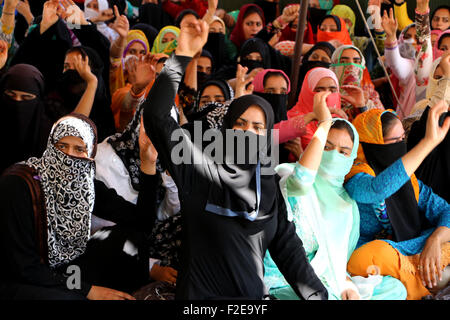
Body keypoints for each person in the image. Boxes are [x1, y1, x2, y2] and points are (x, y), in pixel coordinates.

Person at [141, 15, 328, 300]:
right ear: (225, 129)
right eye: (239, 125)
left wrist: (318, 297)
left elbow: (289, 251)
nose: (248, 134)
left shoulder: (268, 182)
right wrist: (182, 55)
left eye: (257, 128)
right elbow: (156, 118)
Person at [264, 93, 407, 300]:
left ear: (351, 159)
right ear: (315, 145)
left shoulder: (347, 204)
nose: (333, 156)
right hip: (285, 281)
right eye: (326, 147)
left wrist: (347, 286)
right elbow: (304, 179)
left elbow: (336, 264)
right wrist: (324, 124)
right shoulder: (290, 177)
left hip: (326, 279)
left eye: (343, 151)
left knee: (394, 289)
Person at [0, 113, 158, 299]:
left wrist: (148, 163)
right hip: (18, 277)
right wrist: (89, 290)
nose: (69, 156)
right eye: (62, 146)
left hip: (61, 271)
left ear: (90, 153)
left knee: (130, 238)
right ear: (50, 146)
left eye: (79, 149)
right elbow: (24, 266)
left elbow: (142, 222)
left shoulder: (83, 185)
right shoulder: (19, 183)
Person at [344, 106, 450, 300]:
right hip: (379, 254)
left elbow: (446, 210)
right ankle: (430, 278)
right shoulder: (356, 177)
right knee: (366, 256)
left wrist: (435, 241)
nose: (402, 146)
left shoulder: (410, 181)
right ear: (373, 144)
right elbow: (379, 189)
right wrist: (427, 144)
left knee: (441, 234)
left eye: (403, 140)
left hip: (411, 246)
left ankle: (423, 277)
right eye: (395, 142)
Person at [287, 67, 346, 150]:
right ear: (307, 92)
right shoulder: (296, 120)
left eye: (332, 90)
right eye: (319, 91)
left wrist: (361, 107)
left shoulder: (340, 117)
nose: (327, 95)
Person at [331, 44, 384, 121]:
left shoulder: (370, 101)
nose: (351, 66)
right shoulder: (325, 99)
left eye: (356, 62)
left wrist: (361, 107)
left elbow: (380, 129)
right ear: (333, 67)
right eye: (343, 61)